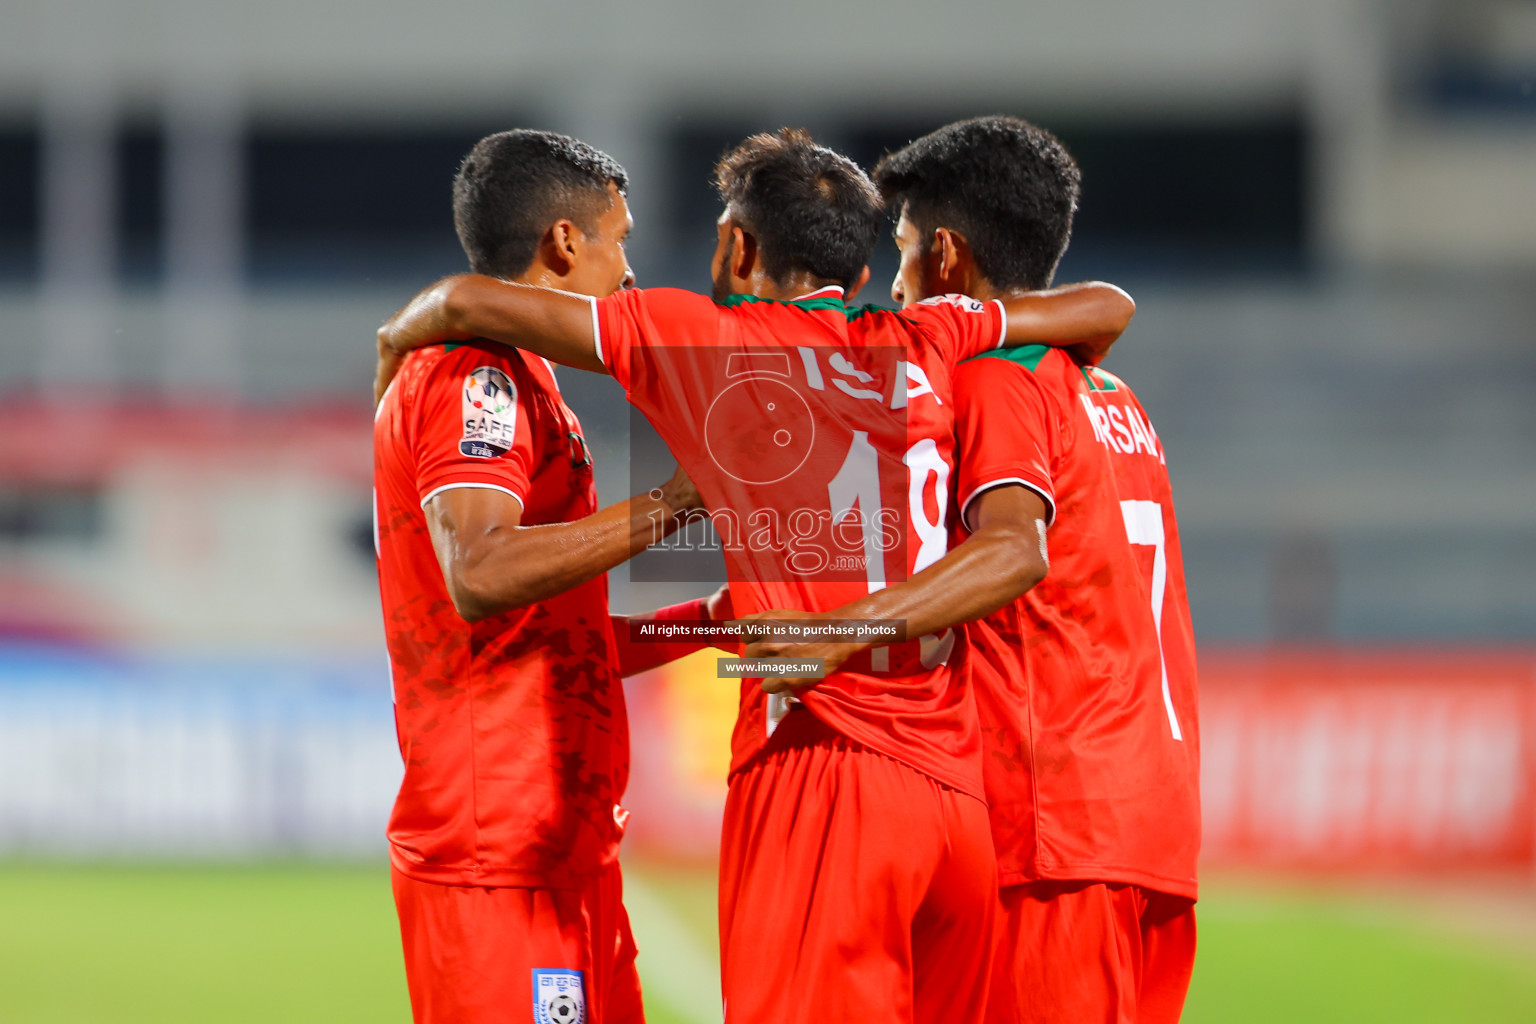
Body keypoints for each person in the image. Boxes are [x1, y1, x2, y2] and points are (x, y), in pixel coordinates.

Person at [374, 127, 1135, 1024]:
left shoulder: (704, 336)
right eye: (620, 239)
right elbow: (1104, 307)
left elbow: (467, 299)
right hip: (952, 798)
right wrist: (708, 613)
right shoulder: (927, 335)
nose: (632, 266)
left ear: (737, 247)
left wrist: (393, 338)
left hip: (815, 765)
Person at [374, 129, 722, 1024]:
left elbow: (556, 643)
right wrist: (677, 505)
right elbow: (480, 571)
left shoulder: (527, 380)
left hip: (564, 849)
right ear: (566, 243)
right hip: (498, 849)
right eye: (622, 240)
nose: (631, 273)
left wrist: (708, 621)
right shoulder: (472, 376)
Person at [877, 116, 1201, 1024]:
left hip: (1054, 824)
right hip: (1151, 827)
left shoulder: (993, 384)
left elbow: (1014, 550)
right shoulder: (1108, 389)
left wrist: (839, 631)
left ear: (946, 254)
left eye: (902, 251)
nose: (897, 280)